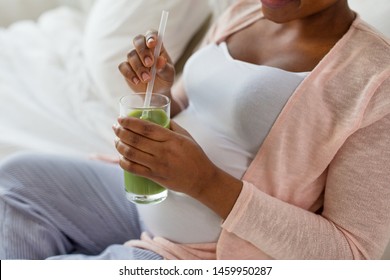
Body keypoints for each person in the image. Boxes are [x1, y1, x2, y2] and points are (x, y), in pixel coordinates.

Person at [0, 0, 389, 260]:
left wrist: (205, 183)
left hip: (205, 252)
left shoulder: (375, 79)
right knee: (14, 181)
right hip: (146, 199)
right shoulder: (246, 11)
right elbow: (191, 111)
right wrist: (159, 89)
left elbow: (353, 256)